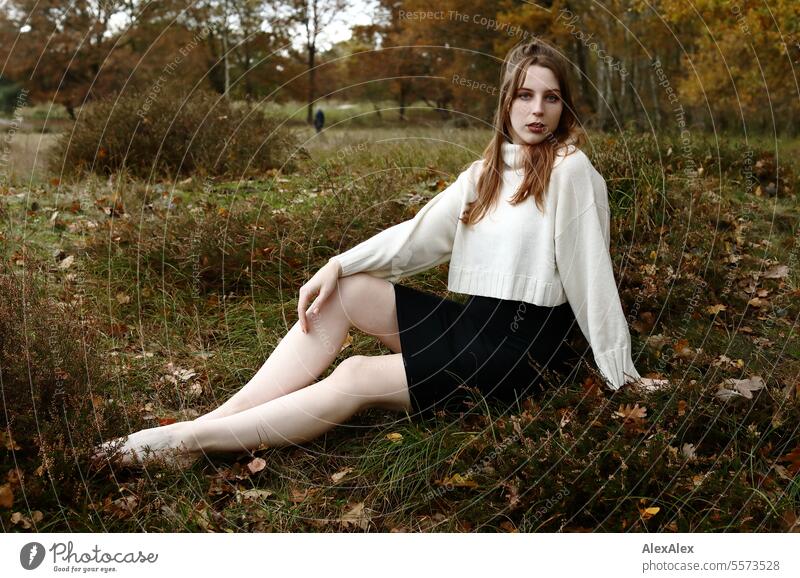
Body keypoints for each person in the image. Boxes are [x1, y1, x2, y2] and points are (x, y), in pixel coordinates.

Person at [92, 39, 669, 468]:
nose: (536, 110)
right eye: (524, 95)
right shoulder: (486, 172)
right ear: (506, 103)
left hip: (517, 355)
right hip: (471, 326)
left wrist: (622, 375)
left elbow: (592, 275)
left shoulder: (572, 172)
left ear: (566, 107)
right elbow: (416, 236)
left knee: (357, 373)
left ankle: (189, 443)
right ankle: (216, 421)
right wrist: (336, 263)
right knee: (344, 293)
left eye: (550, 97)